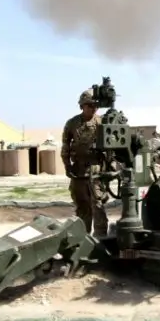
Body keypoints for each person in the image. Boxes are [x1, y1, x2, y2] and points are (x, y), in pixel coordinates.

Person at [61, 89, 109, 236]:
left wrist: (110, 167)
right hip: (78, 170)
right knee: (82, 206)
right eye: (89, 105)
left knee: (98, 205)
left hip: (96, 170)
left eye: (95, 105)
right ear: (82, 106)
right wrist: (67, 165)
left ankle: (100, 238)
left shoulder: (102, 122)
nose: (93, 108)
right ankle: (83, 238)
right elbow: (65, 146)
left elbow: (111, 148)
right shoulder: (72, 123)